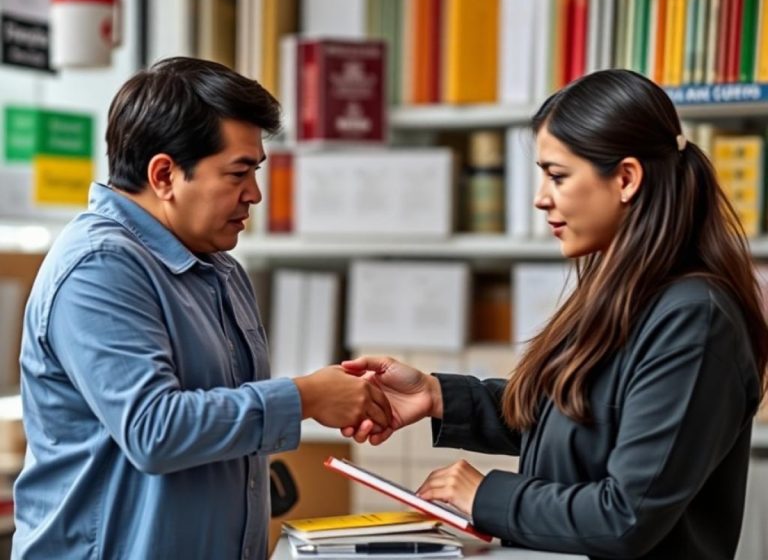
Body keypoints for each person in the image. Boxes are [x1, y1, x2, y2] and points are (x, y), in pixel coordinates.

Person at [342, 69, 768, 560]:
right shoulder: (625, 292)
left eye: (558, 176)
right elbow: (572, 419)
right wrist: (437, 396)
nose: (541, 198)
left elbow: (625, 518)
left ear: (626, 179)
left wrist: (484, 495)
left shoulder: (695, 321)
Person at [12, 57, 391, 560]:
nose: (254, 194)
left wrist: (329, 395)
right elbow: (155, 430)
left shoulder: (219, 269)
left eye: (255, 171)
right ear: (164, 175)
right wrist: (307, 397)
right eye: (238, 173)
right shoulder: (99, 267)